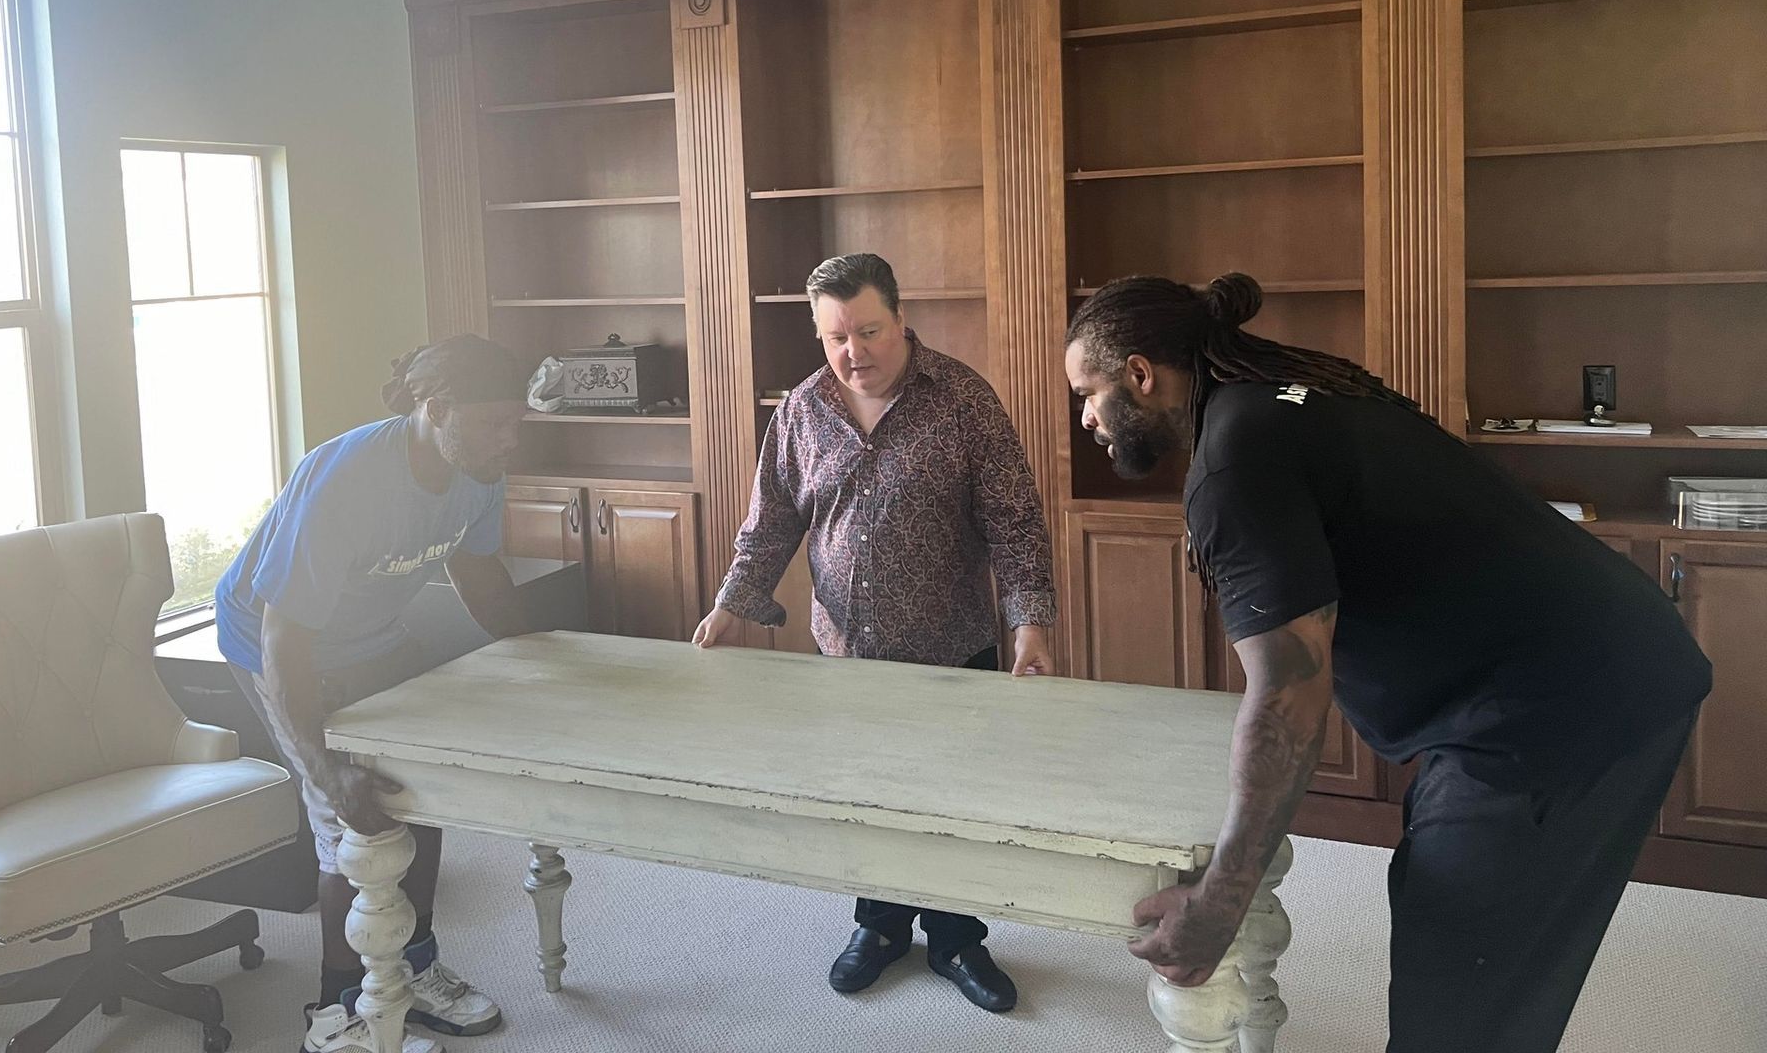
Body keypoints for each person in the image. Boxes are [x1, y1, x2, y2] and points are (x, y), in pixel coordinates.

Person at [1063, 272, 1712, 1052]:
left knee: (1459, 1001)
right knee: (1484, 954)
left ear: (1141, 374)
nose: (1086, 416)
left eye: (1089, 392)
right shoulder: (1292, 388)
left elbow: (1288, 698)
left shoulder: (1234, 463)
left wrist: (1218, 906)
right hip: (1607, 663)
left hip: (1556, 710)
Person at [694, 253, 1057, 1014]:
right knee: (864, 797)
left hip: (950, 647)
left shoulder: (962, 400)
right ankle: (882, 928)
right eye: (834, 337)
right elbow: (772, 522)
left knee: (950, 801)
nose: (853, 352)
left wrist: (1030, 622)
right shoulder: (801, 409)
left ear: (901, 319)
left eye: (868, 331)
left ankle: (957, 939)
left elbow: (1014, 521)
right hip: (846, 654)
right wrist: (734, 601)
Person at [215, 335, 537, 1053]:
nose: (511, 440)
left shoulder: (477, 466)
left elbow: (479, 576)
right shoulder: (348, 482)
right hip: (278, 642)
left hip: (371, 635)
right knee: (352, 822)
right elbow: (284, 639)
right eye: (496, 423)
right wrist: (324, 770)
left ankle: (411, 969)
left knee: (418, 792)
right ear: (438, 410)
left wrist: (549, 658)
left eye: (518, 421)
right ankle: (335, 1012)